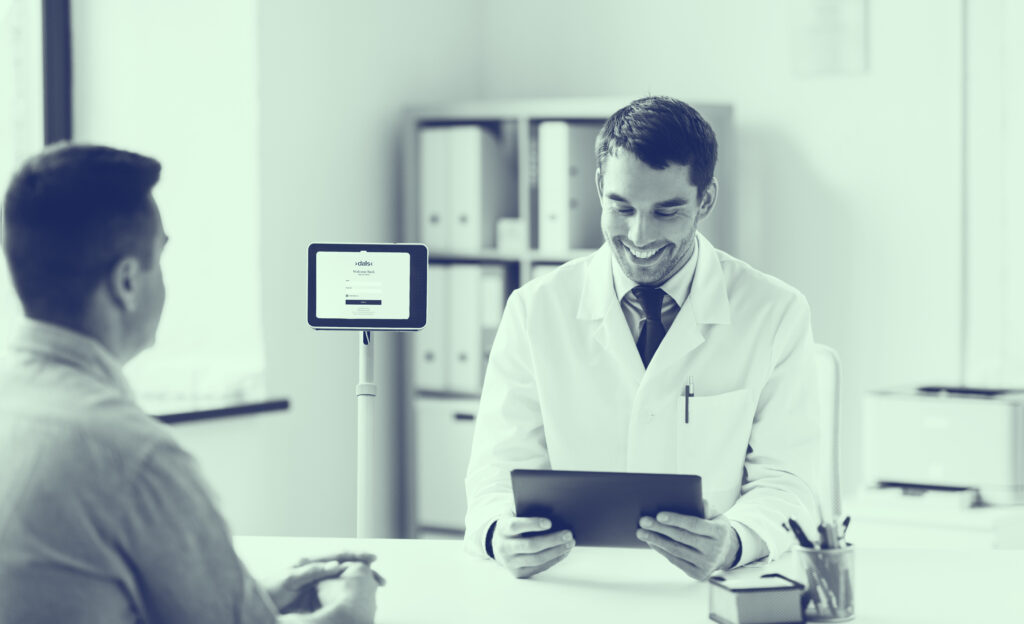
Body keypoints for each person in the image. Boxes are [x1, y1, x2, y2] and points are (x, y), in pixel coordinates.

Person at [0, 143, 382, 623]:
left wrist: (255, 597)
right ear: (126, 283)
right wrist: (351, 612)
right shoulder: (134, 458)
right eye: (159, 259)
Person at [464, 96, 820, 580]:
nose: (639, 234)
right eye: (622, 207)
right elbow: (494, 472)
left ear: (706, 200)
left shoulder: (775, 312)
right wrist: (497, 532)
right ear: (598, 188)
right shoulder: (535, 309)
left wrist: (737, 540)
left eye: (667, 211)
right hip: (573, 584)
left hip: (706, 588)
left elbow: (789, 480)